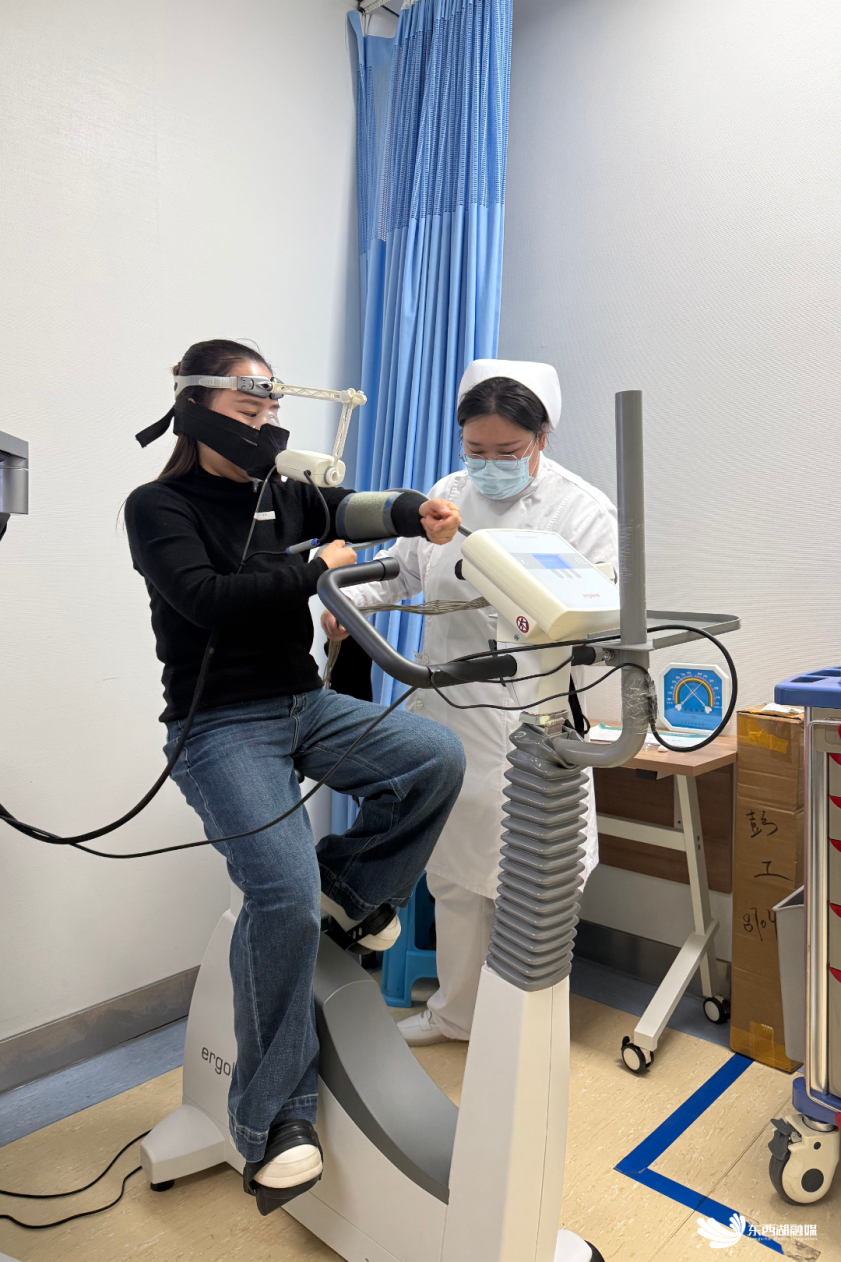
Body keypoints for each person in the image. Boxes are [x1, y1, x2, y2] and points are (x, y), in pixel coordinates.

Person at [125, 339, 466, 1215]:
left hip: (300, 705)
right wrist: (312, 570)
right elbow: (204, 597)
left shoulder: (281, 492)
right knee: (278, 892)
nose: (267, 428)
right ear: (196, 410)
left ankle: (345, 895)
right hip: (216, 724)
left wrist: (411, 510)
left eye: (274, 412)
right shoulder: (158, 506)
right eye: (250, 412)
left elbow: (345, 508)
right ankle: (274, 1119)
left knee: (432, 759)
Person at [322, 360, 618, 1047]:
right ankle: (456, 1014)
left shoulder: (581, 509)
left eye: (507, 451)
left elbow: (604, 614)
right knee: (453, 878)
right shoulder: (447, 494)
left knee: (531, 882)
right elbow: (401, 573)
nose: (488, 466)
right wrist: (348, 604)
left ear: (540, 437)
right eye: (474, 449)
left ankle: (525, 1032)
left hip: (531, 717)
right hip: (448, 711)